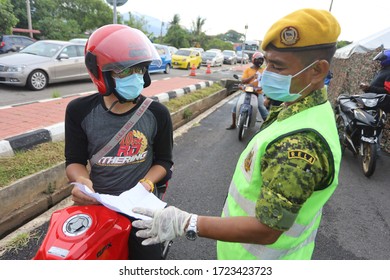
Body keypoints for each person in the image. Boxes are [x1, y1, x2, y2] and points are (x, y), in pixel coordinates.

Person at [132, 8, 342, 260]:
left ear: (317, 70)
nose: (267, 73)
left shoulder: (300, 144)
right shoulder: (303, 108)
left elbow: (267, 230)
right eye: (267, 62)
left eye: (278, 66)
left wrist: (187, 222)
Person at [64, 24, 174, 260]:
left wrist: (146, 182)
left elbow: (164, 161)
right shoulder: (79, 111)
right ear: (100, 73)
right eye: (123, 71)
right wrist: (82, 181)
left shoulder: (157, 113)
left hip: (139, 204)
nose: (134, 77)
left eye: (139, 69)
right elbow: (74, 161)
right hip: (99, 202)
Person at [226, 52, 269, 129]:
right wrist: (253, 77)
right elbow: (243, 81)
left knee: (261, 107)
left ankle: (268, 126)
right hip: (247, 91)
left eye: (261, 60)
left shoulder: (264, 71)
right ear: (253, 60)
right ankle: (233, 124)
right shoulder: (248, 70)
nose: (259, 61)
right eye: (258, 59)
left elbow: (265, 82)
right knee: (236, 107)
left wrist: (262, 87)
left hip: (258, 92)